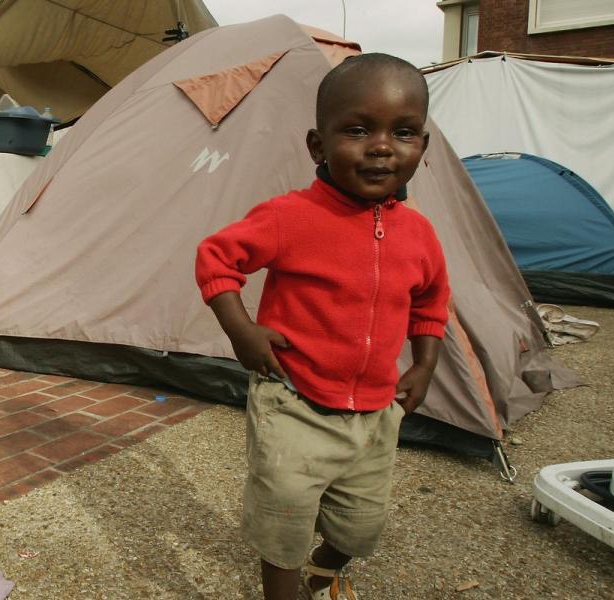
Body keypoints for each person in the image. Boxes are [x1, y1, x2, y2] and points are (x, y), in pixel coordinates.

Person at [194, 53, 450, 600]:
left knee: (361, 527)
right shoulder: (292, 216)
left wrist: (425, 365)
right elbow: (216, 258)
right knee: (282, 528)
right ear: (318, 145)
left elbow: (431, 301)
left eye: (403, 132)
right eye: (357, 130)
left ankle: (327, 563)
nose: (381, 146)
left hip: (376, 414)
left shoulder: (421, 235)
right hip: (294, 402)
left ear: (421, 147)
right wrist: (242, 329)